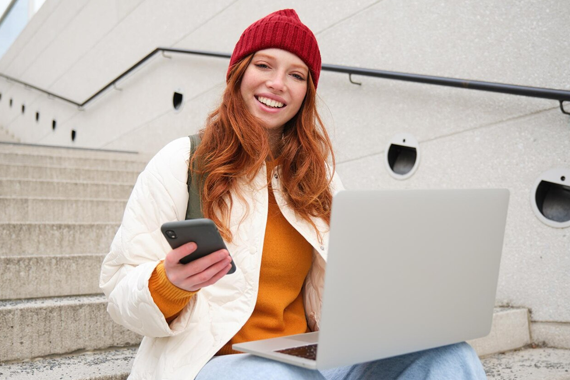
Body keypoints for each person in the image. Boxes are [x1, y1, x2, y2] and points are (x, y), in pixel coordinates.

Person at [100, 9, 487, 380]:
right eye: (264, 65)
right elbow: (120, 292)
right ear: (238, 73)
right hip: (214, 363)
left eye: (296, 74)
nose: (278, 84)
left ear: (307, 92)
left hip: (306, 358)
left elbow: (341, 288)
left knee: (448, 356)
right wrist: (167, 283)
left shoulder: (319, 177)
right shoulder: (183, 160)